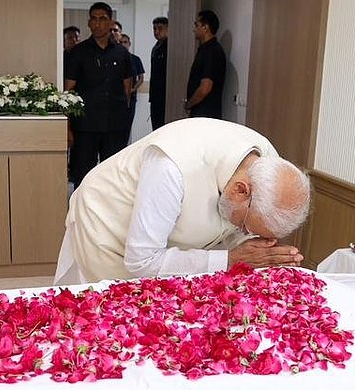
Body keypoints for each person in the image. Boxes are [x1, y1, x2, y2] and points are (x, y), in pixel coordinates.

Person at [54, 119, 309, 285]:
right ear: (241, 191)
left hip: (163, 234)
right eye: (246, 228)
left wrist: (260, 254)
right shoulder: (172, 168)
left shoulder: (266, 160)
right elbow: (141, 262)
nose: (243, 234)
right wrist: (229, 259)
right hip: (109, 222)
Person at [64, 1, 133, 187]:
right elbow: (68, 91)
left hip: (114, 127)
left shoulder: (122, 54)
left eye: (102, 19)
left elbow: (127, 90)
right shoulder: (78, 53)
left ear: (111, 23)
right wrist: (68, 127)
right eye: (93, 19)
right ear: (88, 23)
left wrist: (122, 120)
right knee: (82, 176)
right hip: (85, 126)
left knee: (112, 177)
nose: (97, 23)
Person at [184, 9, 226, 119]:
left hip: (206, 115)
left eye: (196, 25)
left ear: (205, 27)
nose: (194, 30)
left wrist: (189, 104)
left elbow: (205, 88)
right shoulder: (204, 50)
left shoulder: (212, 51)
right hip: (200, 113)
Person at [119, 32, 145, 134]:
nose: (123, 44)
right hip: (117, 97)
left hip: (131, 97)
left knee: (127, 125)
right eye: (120, 42)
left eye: (125, 42)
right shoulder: (115, 58)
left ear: (129, 43)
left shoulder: (135, 59)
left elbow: (141, 78)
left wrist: (133, 88)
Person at [149, 16, 168, 130]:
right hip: (155, 96)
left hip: (166, 96)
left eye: (160, 28)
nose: (156, 32)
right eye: (154, 29)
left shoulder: (170, 47)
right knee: (156, 128)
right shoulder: (156, 48)